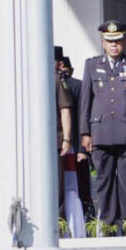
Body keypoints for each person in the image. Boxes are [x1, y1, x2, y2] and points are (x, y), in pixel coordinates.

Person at [80, 20, 126, 233]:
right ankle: (109, 223)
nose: (114, 45)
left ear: (125, 41)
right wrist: (84, 132)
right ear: (102, 43)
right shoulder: (92, 65)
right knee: (104, 180)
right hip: (100, 132)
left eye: (118, 41)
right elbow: (85, 102)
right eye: (110, 42)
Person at [60, 56, 94, 218]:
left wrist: (82, 148)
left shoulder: (77, 86)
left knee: (80, 186)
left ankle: (84, 219)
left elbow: (83, 116)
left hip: (74, 142)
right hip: (61, 143)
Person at [53, 46, 74, 219]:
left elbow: (65, 110)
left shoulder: (57, 80)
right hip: (35, 142)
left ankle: (59, 223)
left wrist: (66, 139)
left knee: (56, 185)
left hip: (54, 139)